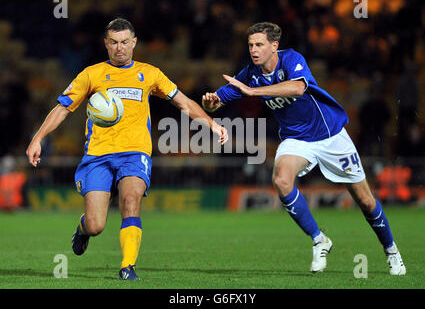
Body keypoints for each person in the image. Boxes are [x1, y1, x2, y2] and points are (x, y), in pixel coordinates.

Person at [26, 18, 228, 280]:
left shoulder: (150, 74)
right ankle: (83, 228)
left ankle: (127, 266)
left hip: (135, 152)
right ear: (106, 44)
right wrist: (38, 138)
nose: (119, 48)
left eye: (124, 42)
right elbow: (63, 108)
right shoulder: (92, 74)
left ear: (134, 43)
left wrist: (211, 124)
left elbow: (184, 103)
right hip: (98, 155)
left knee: (131, 201)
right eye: (113, 43)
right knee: (96, 225)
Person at [202, 22, 406, 275]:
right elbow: (218, 101)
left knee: (365, 200)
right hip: (296, 140)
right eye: (250, 45)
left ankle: (391, 251)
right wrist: (210, 102)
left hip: (330, 135)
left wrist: (254, 92)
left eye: (259, 45)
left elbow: (299, 87)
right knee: (281, 180)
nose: (253, 50)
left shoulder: (291, 59)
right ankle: (320, 239)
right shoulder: (249, 75)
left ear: (274, 46)